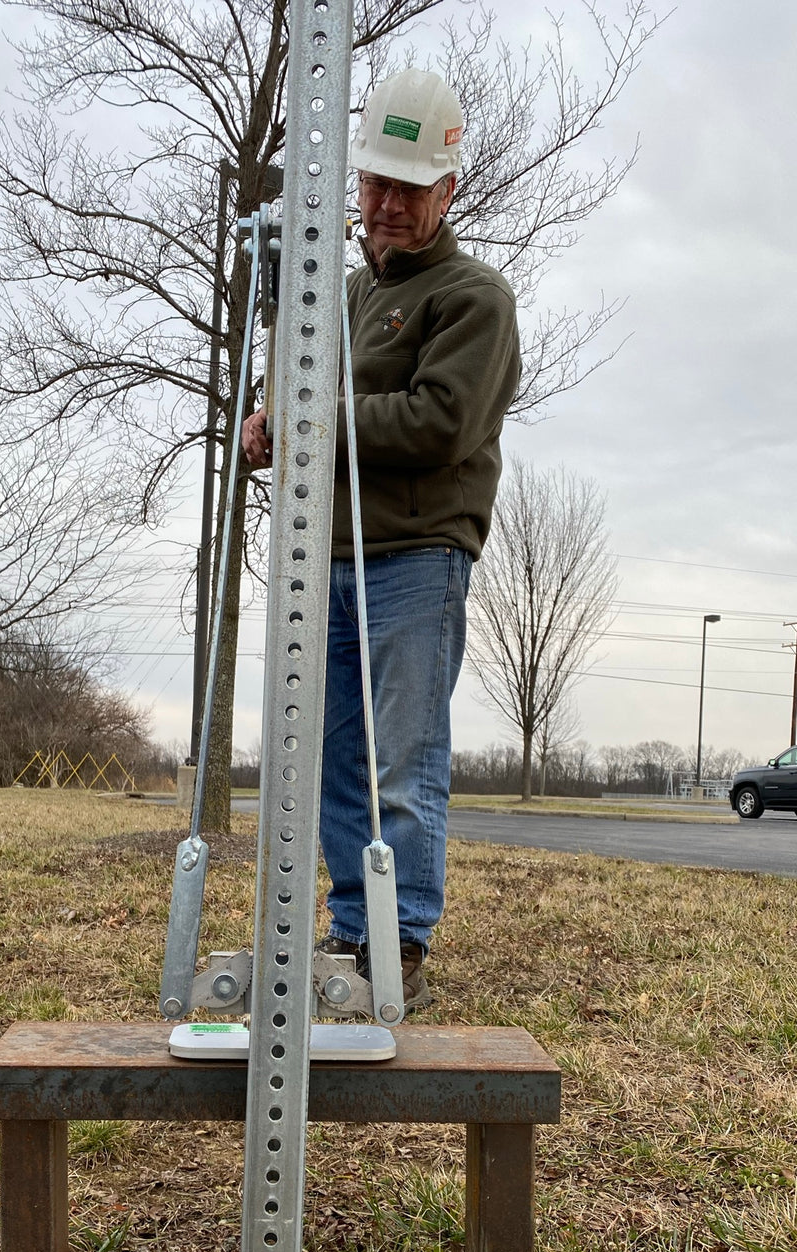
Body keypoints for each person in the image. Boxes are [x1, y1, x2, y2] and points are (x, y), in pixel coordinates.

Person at [242, 69, 520, 1012]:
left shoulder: (473, 297)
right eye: (375, 184)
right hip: (329, 560)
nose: (388, 205)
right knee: (336, 759)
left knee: (404, 761)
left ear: (449, 189)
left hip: (417, 559)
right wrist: (267, 426)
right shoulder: (343, 294)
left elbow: (439, 421)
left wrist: (312, 416)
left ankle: (401, 945)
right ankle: (351, 934)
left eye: (409, 187)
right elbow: (304, 408)